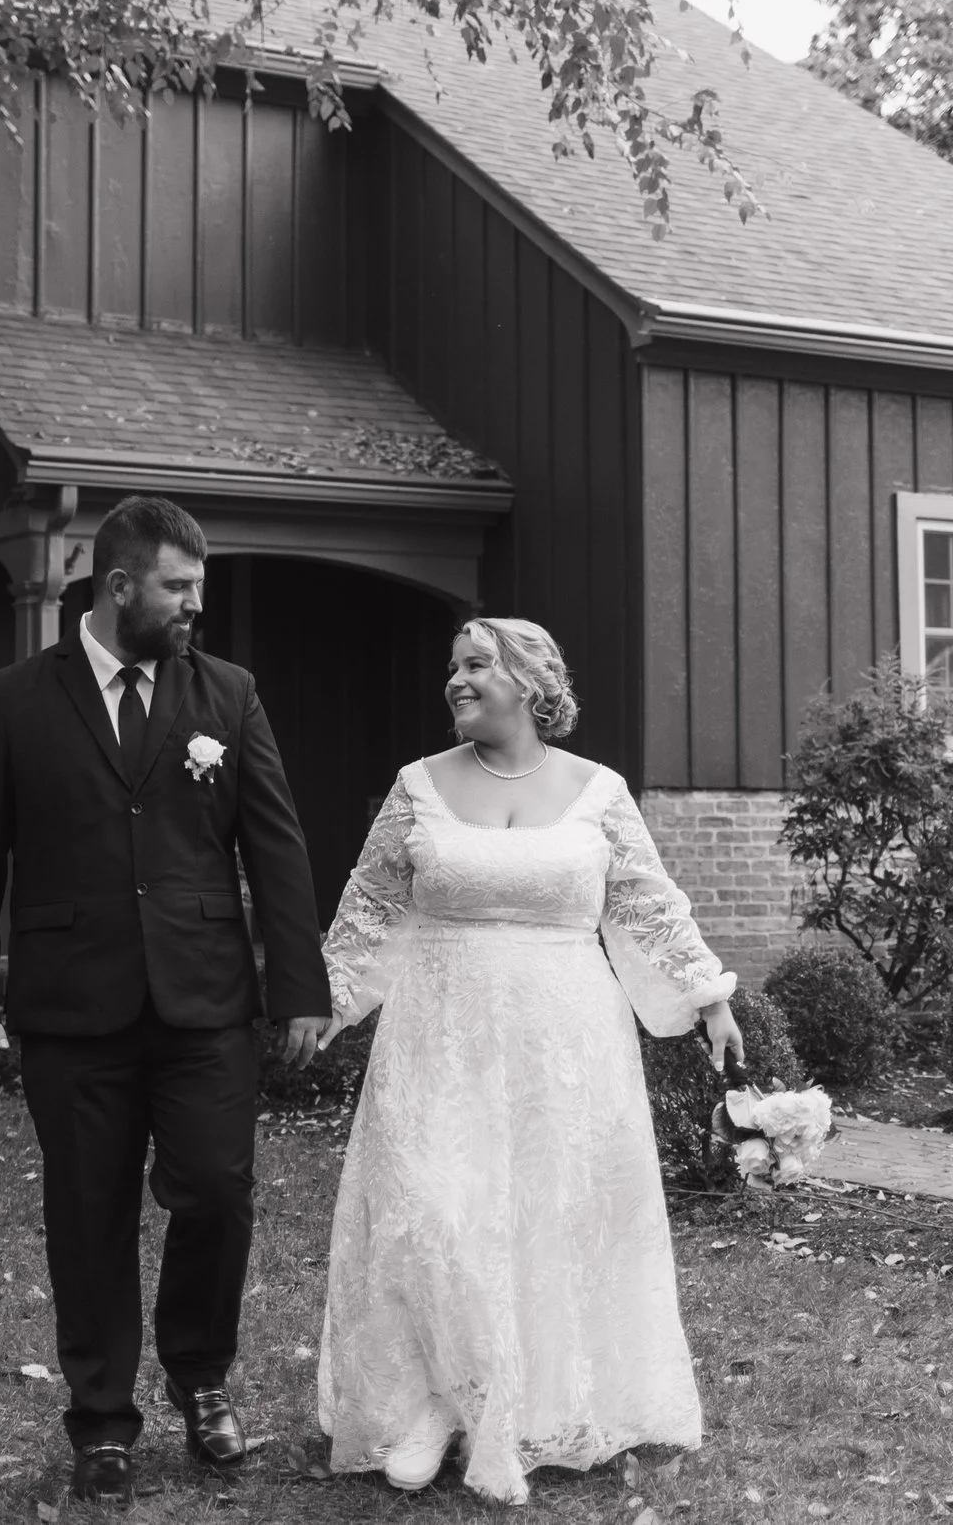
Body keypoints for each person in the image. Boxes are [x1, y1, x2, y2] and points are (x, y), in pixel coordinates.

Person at [0, 495, 335, 1505]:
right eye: (178, 587)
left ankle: (200, 1376)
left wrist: (298, 988)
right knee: (87, 1213)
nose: (196, 605)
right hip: (72, 1009)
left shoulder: (228, 695)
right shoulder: (18, 698)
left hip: (203, 1003)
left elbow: (276, 849)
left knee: (215, 1190)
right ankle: (102, 1421)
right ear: (119, 587)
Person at [313, 616, 745, 1504]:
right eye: (452, 667)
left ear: (531, 684)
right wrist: (317, 1000)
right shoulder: (417, 786)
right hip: (439, 1034)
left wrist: (709, 994)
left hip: (565, 1041)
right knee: (431, 1206)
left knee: (547, 1217)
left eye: (476, 666)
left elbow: (647, 901)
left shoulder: (598, 791)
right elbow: (366, 906)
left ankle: (527, 1404)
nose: (456, 681)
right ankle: (427, 1403)